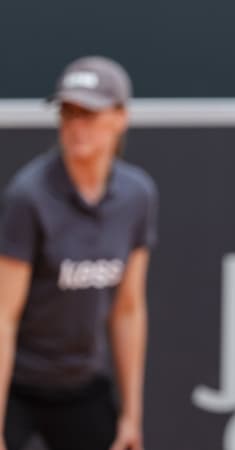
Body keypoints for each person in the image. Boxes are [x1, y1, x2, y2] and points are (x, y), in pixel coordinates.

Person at [0, 56, 157, 450]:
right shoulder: (27, 196)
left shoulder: (138, 196)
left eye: (89, 113)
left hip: (83, 385)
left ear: (120, 117)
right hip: (17, 386)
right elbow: (3, 316)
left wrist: (131, 416)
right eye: (68, 113)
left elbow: (128, 309)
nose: (76, 125)